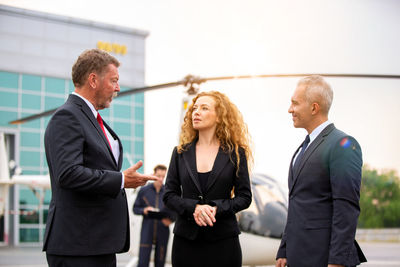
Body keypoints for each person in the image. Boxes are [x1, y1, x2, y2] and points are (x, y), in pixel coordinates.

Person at [43, 49, 158, 267]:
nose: (118, 88)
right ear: (93, 80)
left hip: (97, 244)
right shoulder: (67, 117)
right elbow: (68, 174)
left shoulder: (91, 119)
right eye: (113, 81)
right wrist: (122, 180)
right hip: (77, 247)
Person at [276, 75, 367, 267]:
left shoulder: (341, 145)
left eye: (295, 103)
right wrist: (284, 250)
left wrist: (337, 262)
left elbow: (346, 208)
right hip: (297, 256)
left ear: (314, 108)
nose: (289, 109)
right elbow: (296, 204)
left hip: (323, 259)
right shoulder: (303, 147)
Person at [163, 91, 253, 267]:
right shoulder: (180, 153)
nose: (196, 112)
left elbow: (244, 197)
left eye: (204, 108)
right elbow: (168, 196)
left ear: (220, 117)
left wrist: (214, 208)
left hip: (223, 242)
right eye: (195, 108)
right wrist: (194, 208)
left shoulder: (236, 153)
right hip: (186, 242)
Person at [133, 164, 176, 267]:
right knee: (142, 262)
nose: (161, 179)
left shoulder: (168, 192)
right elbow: (135, 208)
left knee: (160, 262)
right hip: (147, 230)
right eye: (158, 176)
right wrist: (144, 210)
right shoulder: (144, 190)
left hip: (163, 230)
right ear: (153, 174)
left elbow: (176, 211)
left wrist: (171, 220)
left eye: (163, 176)